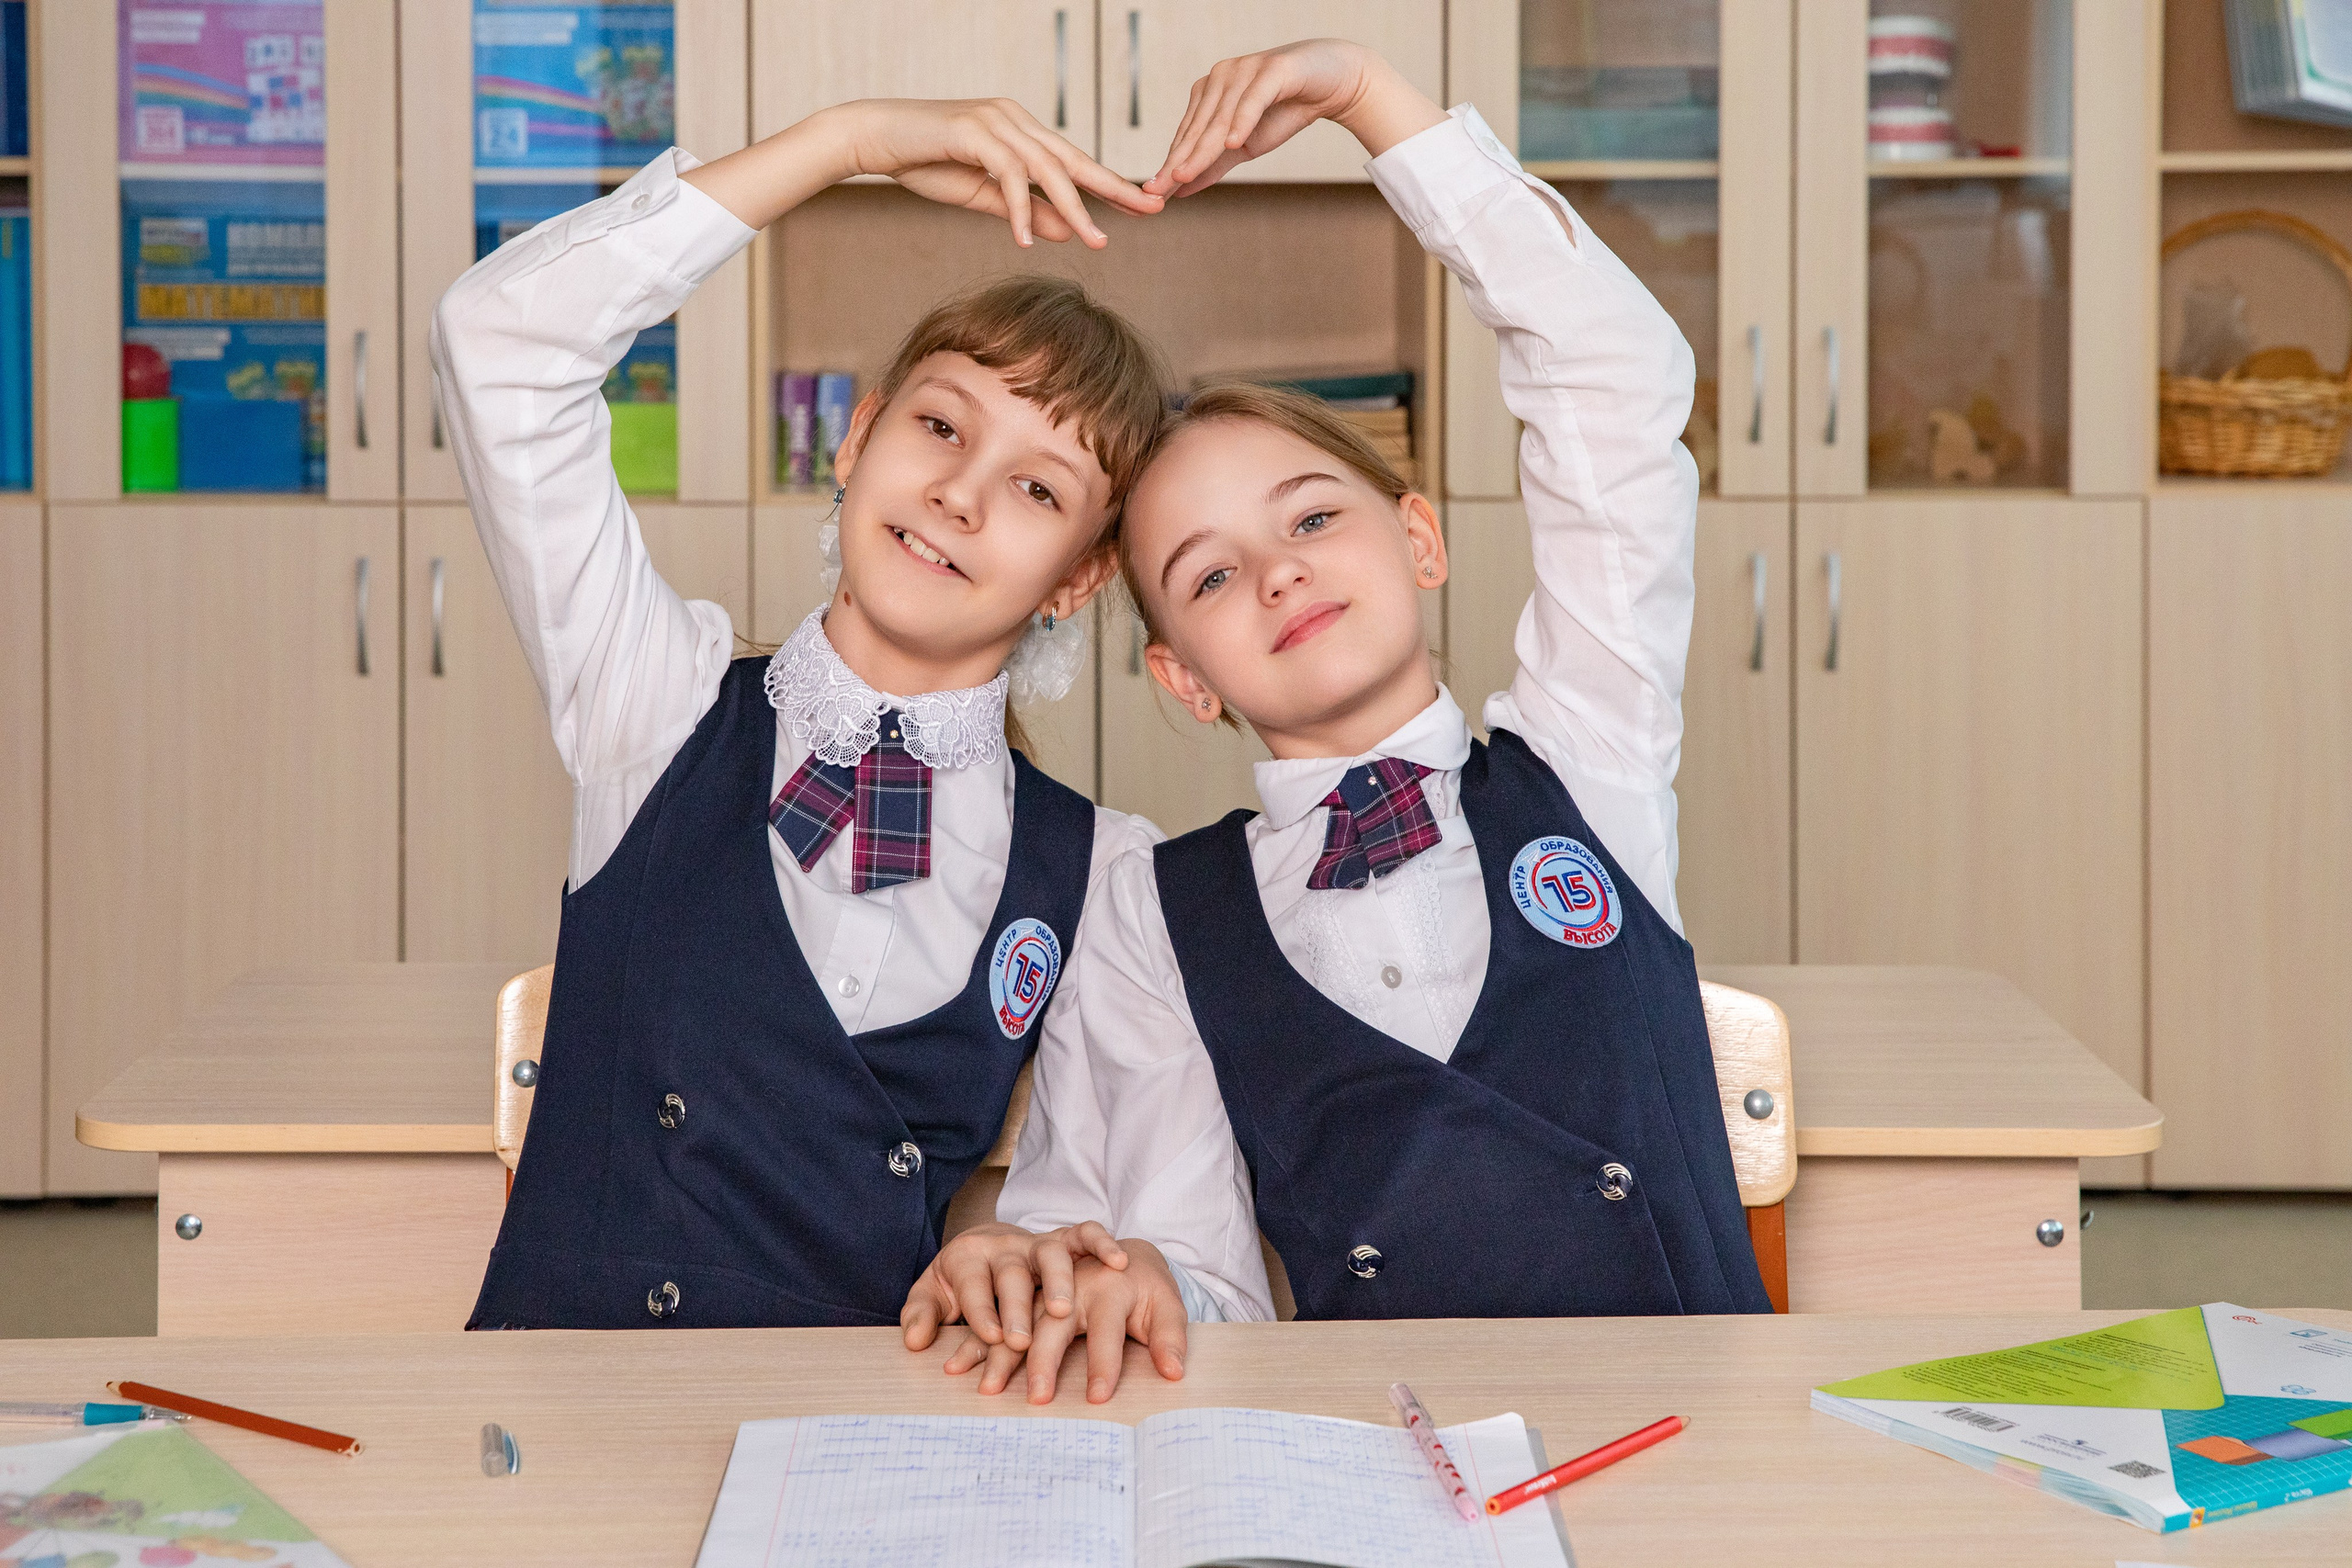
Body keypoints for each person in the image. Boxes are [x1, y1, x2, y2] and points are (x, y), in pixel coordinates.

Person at [917, 39, 1770, 1403]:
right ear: (1185, 679)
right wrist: (1126, 1279)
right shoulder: (1151, 912)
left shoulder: (1586, 757)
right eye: (1208, 576)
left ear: (1419, 538)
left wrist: (1373, 104)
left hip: (1699, 1449)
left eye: (1313, 518)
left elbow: (1619, 395)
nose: (1277, 573)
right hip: (1382, 1465)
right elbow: (1202, 1287)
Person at [435, 96, 1170, 1329]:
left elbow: (1093, 1201)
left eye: (1037, 489)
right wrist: (848, 146)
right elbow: (500, 341)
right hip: (566, 1399)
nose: (959, 495)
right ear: (855, 438)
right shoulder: (657, 702)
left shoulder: (1100, 871)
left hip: (855, 1422)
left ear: (1082, 577)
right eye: (939, 426)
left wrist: (1026, 1251)